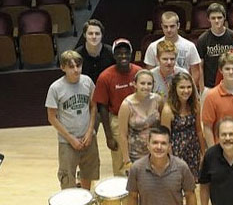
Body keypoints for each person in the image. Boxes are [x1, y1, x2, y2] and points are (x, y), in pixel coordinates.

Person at [45, 50, 99, 190]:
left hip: (88, 138)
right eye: (71, 67)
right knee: (68, 178)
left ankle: (86, 202)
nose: (76, 70)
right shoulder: (55, 88)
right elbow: (52, 117)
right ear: (63, 68)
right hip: (67, 141)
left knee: (88, 173)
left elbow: (93, 107)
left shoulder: (87, 81)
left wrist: (90, 131)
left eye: (78, 66)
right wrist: (70, 139)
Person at [161, 72, 206, 205]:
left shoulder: (195, 105)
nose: (186, 91)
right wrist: (170, 159)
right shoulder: (168, 110)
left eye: (188, 87)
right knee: (175, 189)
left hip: (192, 152)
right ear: (175, 88)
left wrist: (203, 153)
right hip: (176, 154)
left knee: (191, 187)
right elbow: (165, 138)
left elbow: (199, 131)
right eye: (182, 87)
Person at [93, 39, 142, 176]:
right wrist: (108, 136)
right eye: (119, 53)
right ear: (114, 56)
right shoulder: (105, 77)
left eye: (126, 53)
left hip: (139, 119)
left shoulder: (139, 73)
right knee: (121, 162)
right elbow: (102, 107)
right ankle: (122, 193)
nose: (123, 56)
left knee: (141, 158)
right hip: (116, 121)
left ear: (131, 54)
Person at [144, 11, 202, 91]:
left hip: (182, 90)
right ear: (161, 26)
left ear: (178, 26)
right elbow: (149, 74)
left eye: (172, 26)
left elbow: (196, 73)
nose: (169, 30)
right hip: (159, 91)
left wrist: (188, 90)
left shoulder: (190, 46)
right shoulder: (153, 47)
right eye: (165, 26)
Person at [118, 70, 163, 170]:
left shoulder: (157, 100)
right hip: (135, 155)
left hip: (156, 152)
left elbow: (163, 126)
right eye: (142, 83)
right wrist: (126, 160)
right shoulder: (127, 105)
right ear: (135, 84)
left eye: (149, 84)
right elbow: (122, 134)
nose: (146, 87)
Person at [197, 3, 233, 91]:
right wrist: (202, 89)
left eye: (219, 17)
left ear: (224, 18)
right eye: (213, 18)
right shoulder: (203, 39)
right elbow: (200, 67)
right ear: (208, 19)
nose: (217, 21)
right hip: (209, 86)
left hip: (230, 84)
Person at [76, 19, 114, 85]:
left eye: (97, 34)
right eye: (90, 33)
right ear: (85, 35)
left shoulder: (111, 52)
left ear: (102, 35)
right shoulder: (76, 55)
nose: (94, 37)